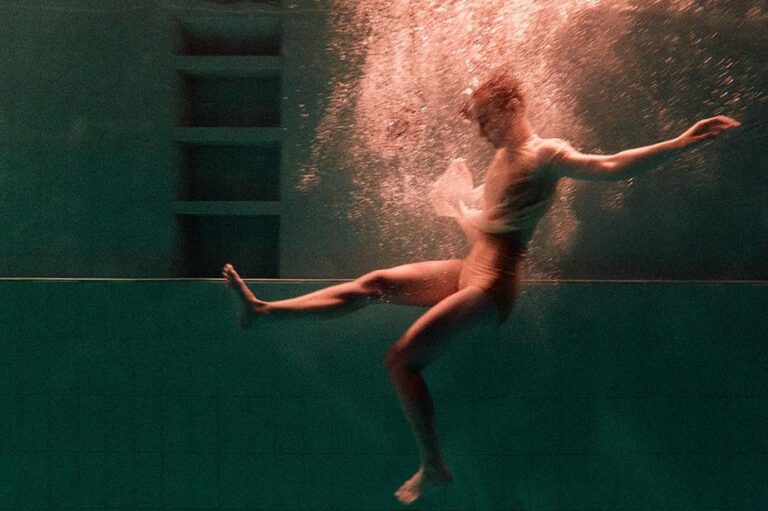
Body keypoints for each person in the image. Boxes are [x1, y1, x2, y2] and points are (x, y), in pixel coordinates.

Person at [221, 70, 740, 505]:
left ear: (512, 107)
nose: (483, 134)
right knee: (375, 283)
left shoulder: (547, 153)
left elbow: (611, 165)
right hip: (468, 269)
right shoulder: (497, 159)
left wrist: (680, 141)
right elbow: (490, 217)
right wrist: (461, 204)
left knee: (401, 361)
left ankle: (433, 465)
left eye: (486, 121)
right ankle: (264, 310)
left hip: (492, 288)